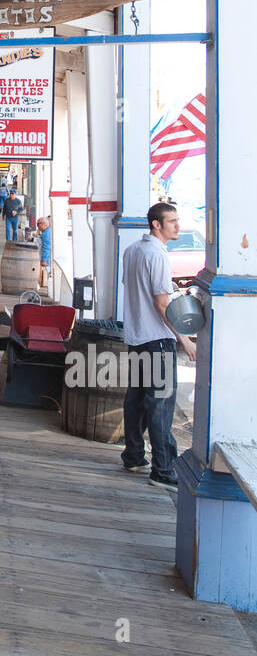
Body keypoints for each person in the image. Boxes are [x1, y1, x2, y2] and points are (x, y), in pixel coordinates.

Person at [120, 202, 198, 489]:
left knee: (137, 400)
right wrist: (185, 339)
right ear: (156, 224)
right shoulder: (157, 255)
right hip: (158, 341)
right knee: (161, 405)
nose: (178, 226)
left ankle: (134, 456)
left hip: (137, 337)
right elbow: (162, 303)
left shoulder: (132, 250)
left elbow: (133, 290)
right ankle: (163, 470)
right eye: (172, 221)